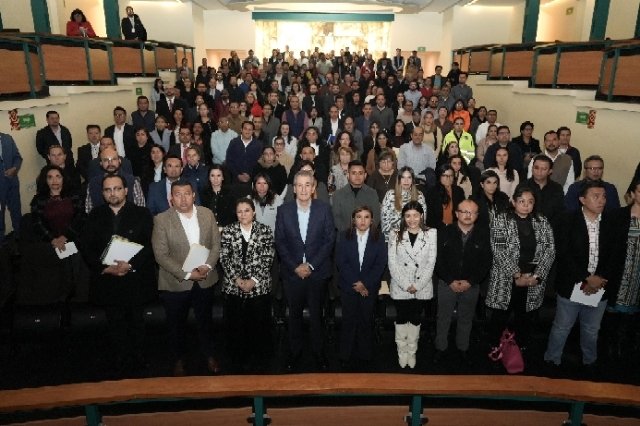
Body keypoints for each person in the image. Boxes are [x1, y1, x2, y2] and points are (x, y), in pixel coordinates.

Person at [81, 174, 156, 376]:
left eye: (117, 188)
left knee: (137, 323)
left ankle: (139, 359)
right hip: (108, 280)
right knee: (115, 324)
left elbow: (150, 245)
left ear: (126, 190)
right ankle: (120, 360)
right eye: (108, 190)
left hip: (135, 279)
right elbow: (87, 248)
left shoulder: (142, 213)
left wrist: (130, 265)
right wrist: (104, 268)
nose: (112, 193)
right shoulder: (94, 215)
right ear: (103, 193)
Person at [543, 181, 616, 370]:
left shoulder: (611, 222)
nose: (601, 200)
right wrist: (586, 278)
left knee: (592, 329)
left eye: (604, 196)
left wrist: (599, 279)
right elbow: (563, 253)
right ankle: (552, 361)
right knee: (562, 327)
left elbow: (615, 254)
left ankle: (589, 363)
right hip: (572, 284)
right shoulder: (567, 220)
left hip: (600, 286)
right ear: (582, 199)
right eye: (596, 196)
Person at [152, 180, 221, 376]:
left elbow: (216, 245)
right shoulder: (161, 220)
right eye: (178, 194)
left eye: (187, 194)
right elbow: (161, 255)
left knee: (205, 322)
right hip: (175, 282)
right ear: (171, 198)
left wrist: (208, 266)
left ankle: (209, 355)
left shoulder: (207, 214)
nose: (183, 199)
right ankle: (178, 359)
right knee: (176, 325)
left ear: (194, 195)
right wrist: (188, 274)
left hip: (205, 278)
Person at [275, 170, 335, 371]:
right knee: (294, 317)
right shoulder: (284, 211)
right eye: (299, 185)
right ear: (294, 188)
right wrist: (295, 266)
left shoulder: (324, 209)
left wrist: (310, 265)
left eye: (307, 185)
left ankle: (319, 353)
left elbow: (329, 241)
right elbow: (280, 242)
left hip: (317, 274)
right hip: (292, 274)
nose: (303, 189)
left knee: (317, 316)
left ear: (313, 187)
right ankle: (295, 352)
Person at [486, 186, 555, 353]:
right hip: (506, 277)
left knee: (525, 316)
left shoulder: (541, 221)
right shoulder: (501, 219)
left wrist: (537, 276)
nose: (526, 205)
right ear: (513, 201)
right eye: (522, 201)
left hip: (532, 278)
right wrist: (517, 275)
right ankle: (494, 346)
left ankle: (520, 346)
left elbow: (549, 250)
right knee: (500, 315)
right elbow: (499, 250)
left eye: (530, 202)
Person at [221, 198, 275, 373]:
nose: (243, 214)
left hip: (259, 287)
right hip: (234, 287)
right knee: (236, 326)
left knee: (259, 327)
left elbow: (268, 258)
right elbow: (224, 258)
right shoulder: (228, 231)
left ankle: (260, 361)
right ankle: (238, 361)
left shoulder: (265, 231)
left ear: (254, 212)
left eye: (246, 210)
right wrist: (237, 280)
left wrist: (253, 281)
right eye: (239, 211)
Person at [434, 200, 491, 364]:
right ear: (456, 214)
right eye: (464, 211)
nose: (468, 215)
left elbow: (486, 262)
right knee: (443, 318)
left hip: (471, 285)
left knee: (466, 319)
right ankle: (440, 348)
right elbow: (437, 260)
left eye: (472, 212)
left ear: (477, 215)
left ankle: (463, 348)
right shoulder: (444, 232)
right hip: (447, 283)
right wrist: (450, 280)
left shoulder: (483, 234)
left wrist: (470, 282)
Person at [336, 206, 387, 369]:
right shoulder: (344, 236)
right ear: (353, 220)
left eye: (366, 217)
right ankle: (345, 354)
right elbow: (341, 262)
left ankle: (365, 355)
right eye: (359, 217)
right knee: (348, 321)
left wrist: (365, 283)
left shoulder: (379, 237)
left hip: (369, 287)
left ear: (372, 220)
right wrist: (356, 284)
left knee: (366, 320)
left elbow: (380, 264)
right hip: (348, 286)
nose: (363, 220)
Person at [388, 201, 437, 369]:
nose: (412, 219)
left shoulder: (431, 233)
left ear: (421, 215)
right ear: (403, 217)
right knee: (401, 318)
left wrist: (417, 284)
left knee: (416, 319)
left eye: (416, 215)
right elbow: (392, 262)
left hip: (421, 286)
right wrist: (405, 284)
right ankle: (402, 351)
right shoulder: (395, 234)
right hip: (400, 285)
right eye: (408, 216)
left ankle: (412, 351)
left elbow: (431, 262)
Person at [30, 165, 85, 300]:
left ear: (63, 179)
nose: (54, 180)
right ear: (45, 180)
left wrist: (65, 237)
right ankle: (60, 296)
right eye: (50, 177)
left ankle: (77, 296)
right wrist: (53, 239)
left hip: (73, 238)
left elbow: (81, 218)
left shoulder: (74, 196)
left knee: (76, 259)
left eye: (58, 176)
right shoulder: (39, 200)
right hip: (50, 242)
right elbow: (37, 224)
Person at [600, 179, 640, 362]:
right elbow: (607, 247)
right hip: (618, 271)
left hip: (637, 276)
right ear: (632, 194)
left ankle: (627, 350)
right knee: (612, 313)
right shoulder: (617, 215)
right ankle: (609, 348)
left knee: (632, 317)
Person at [331, 160, 381, 235]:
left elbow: (376, 217)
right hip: (344, 237)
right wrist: (350, 233)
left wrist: (364, 233)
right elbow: (336, 219)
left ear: (365, 175)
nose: (357, 176)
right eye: (354, 173)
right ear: (348, 175)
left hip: (368, 236)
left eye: (360, 173)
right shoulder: (338, 194)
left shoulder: (372, 193)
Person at [381, 166, 427, 242]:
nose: (406, 181)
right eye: (403, 177)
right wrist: (390, 240)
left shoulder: (420, 196)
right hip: (393, 238)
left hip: (414, 237)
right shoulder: (390, 195)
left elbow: (422, 220)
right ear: (399, 180)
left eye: (409, 177)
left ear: (412, 180)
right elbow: (385, 221)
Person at [423, 163, 465, 230]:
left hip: (455, 227)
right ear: (439, 177)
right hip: (436, 228)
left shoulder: (459, 191)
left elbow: (462, 211)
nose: (448, 178)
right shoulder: (432, 192)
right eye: (445, 175)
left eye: (451, 175)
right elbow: (430, 217)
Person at [0, 132, 23, 243]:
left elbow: (18, 157)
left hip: (12, 183)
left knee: (16, 211)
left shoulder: (7, 138)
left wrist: (14, 168)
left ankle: (20, 236)